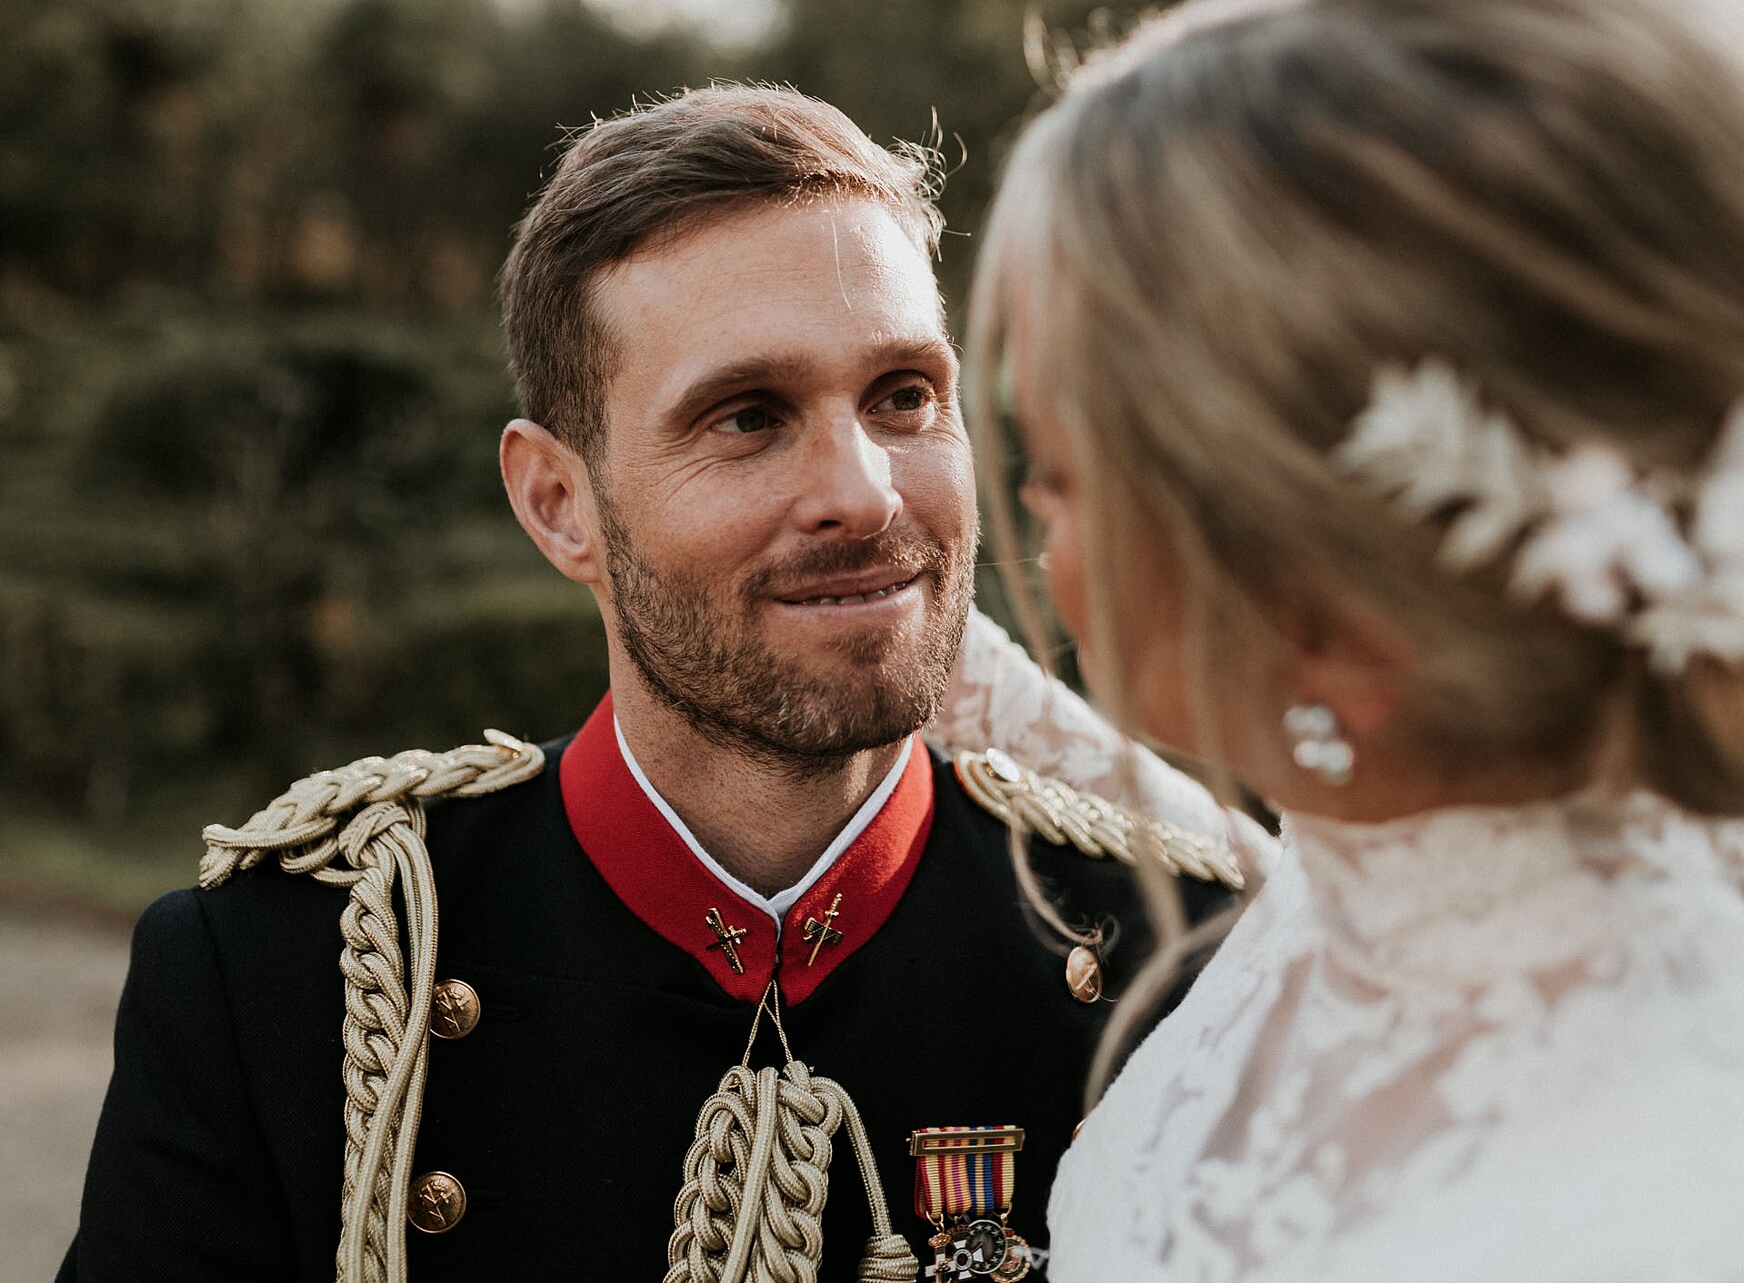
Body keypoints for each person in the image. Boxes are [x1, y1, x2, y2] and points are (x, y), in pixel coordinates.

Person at [58, 85, 1251, 1282]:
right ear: (557, 505)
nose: (867, 491)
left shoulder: (1195, 965)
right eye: (747, 416)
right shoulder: (279, 973)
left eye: (903, 397)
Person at [967, 0, 1744, 1277]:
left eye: (1058, 477)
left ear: (1338, 615)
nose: (1034, 525)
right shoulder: (1387, 871)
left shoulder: (1684, 1214)